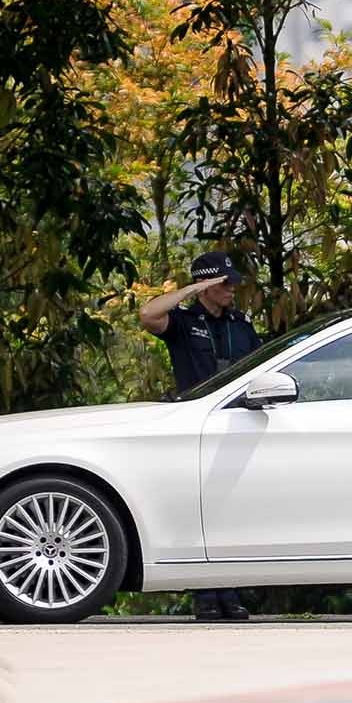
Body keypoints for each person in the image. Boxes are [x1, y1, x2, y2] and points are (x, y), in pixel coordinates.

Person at [139, 250, 261, 622]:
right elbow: (147, 315)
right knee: (198, 507)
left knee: (231, 507)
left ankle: (230, 589)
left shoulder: (240, 323)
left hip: (238, 422)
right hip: (196, 424)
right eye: (223, 283)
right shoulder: (182, 321)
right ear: (207, 284)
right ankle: (207, 593)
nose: (231, 290)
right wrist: (192, 289)